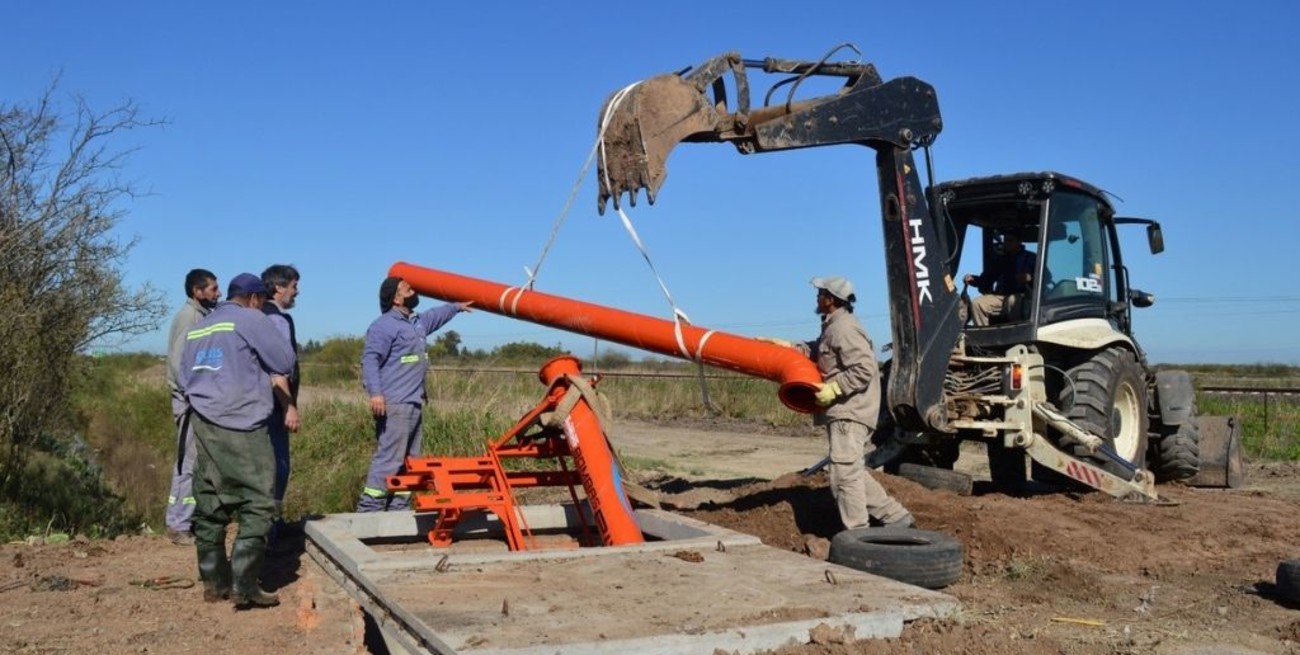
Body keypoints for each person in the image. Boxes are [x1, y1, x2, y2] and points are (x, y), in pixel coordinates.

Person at [179, 273, 296, 608]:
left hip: (203, 422)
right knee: (259, 502)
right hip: (243, 423)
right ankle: (245, 586)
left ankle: (214, 584)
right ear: (256, 298)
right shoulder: (250, 319)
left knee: (211, 501)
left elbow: (184, 374)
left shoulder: (200, 326)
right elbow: (283, 362)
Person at [762, 276, 913, 531]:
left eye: (820, 293)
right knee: (851, 469)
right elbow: (820, 350)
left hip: (850, 411)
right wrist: (790, 347)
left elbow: (864, 368)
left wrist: (835, 387)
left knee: (842, 474)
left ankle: (857, 534)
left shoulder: (844, 328)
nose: (817, 297)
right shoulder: (833, 326)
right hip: (848, 410)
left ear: (830, 299)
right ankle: (896, 517)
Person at [356, 276, 471, 512]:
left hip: (414, 402)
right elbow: (370, 360)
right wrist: (376, 394)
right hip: (395, 404)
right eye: (407, 289)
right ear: (396, 298)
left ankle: (399, 509)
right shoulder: (383, 326)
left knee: (412, 461)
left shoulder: (416, 323)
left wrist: (457, 307)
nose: (413, 290)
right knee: (389, 459)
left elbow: (435, 316)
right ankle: (368, 512)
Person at [163, 268, 221, 546]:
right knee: (187, 463)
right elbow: (178, 361)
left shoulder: (202, 315)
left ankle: (187, 520)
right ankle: (178, 523)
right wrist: (190, 395)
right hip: (189, 403)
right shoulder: (189, 317)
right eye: (212, 289)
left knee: (196, 463)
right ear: (197, 292)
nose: (217, 293)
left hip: (195, 400)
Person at [260, 264, 301, 537]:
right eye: (294, 286)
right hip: (275, 405)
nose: (296, 292)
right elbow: (278, 370)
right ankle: (271, 529)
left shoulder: (254, 316)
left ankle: (264, 526)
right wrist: (289, 406)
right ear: (279, 287)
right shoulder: (277, 320)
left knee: (263, 466)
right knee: (277, 467)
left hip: (255, 406)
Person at [963, 232, 1037, 326]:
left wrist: (1030, 278)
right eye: (1005, 240)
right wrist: (972, 279)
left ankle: (1015, 332)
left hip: (1024, 296)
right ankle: (984, 336)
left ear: (1019, 241)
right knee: (977, 303)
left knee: (1012, 300)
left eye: (1010, 240)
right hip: (1001, 297)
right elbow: (986, 279)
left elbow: (1046, 277)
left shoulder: (1031, 258)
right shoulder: (1001, 260)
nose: (1006, 243)